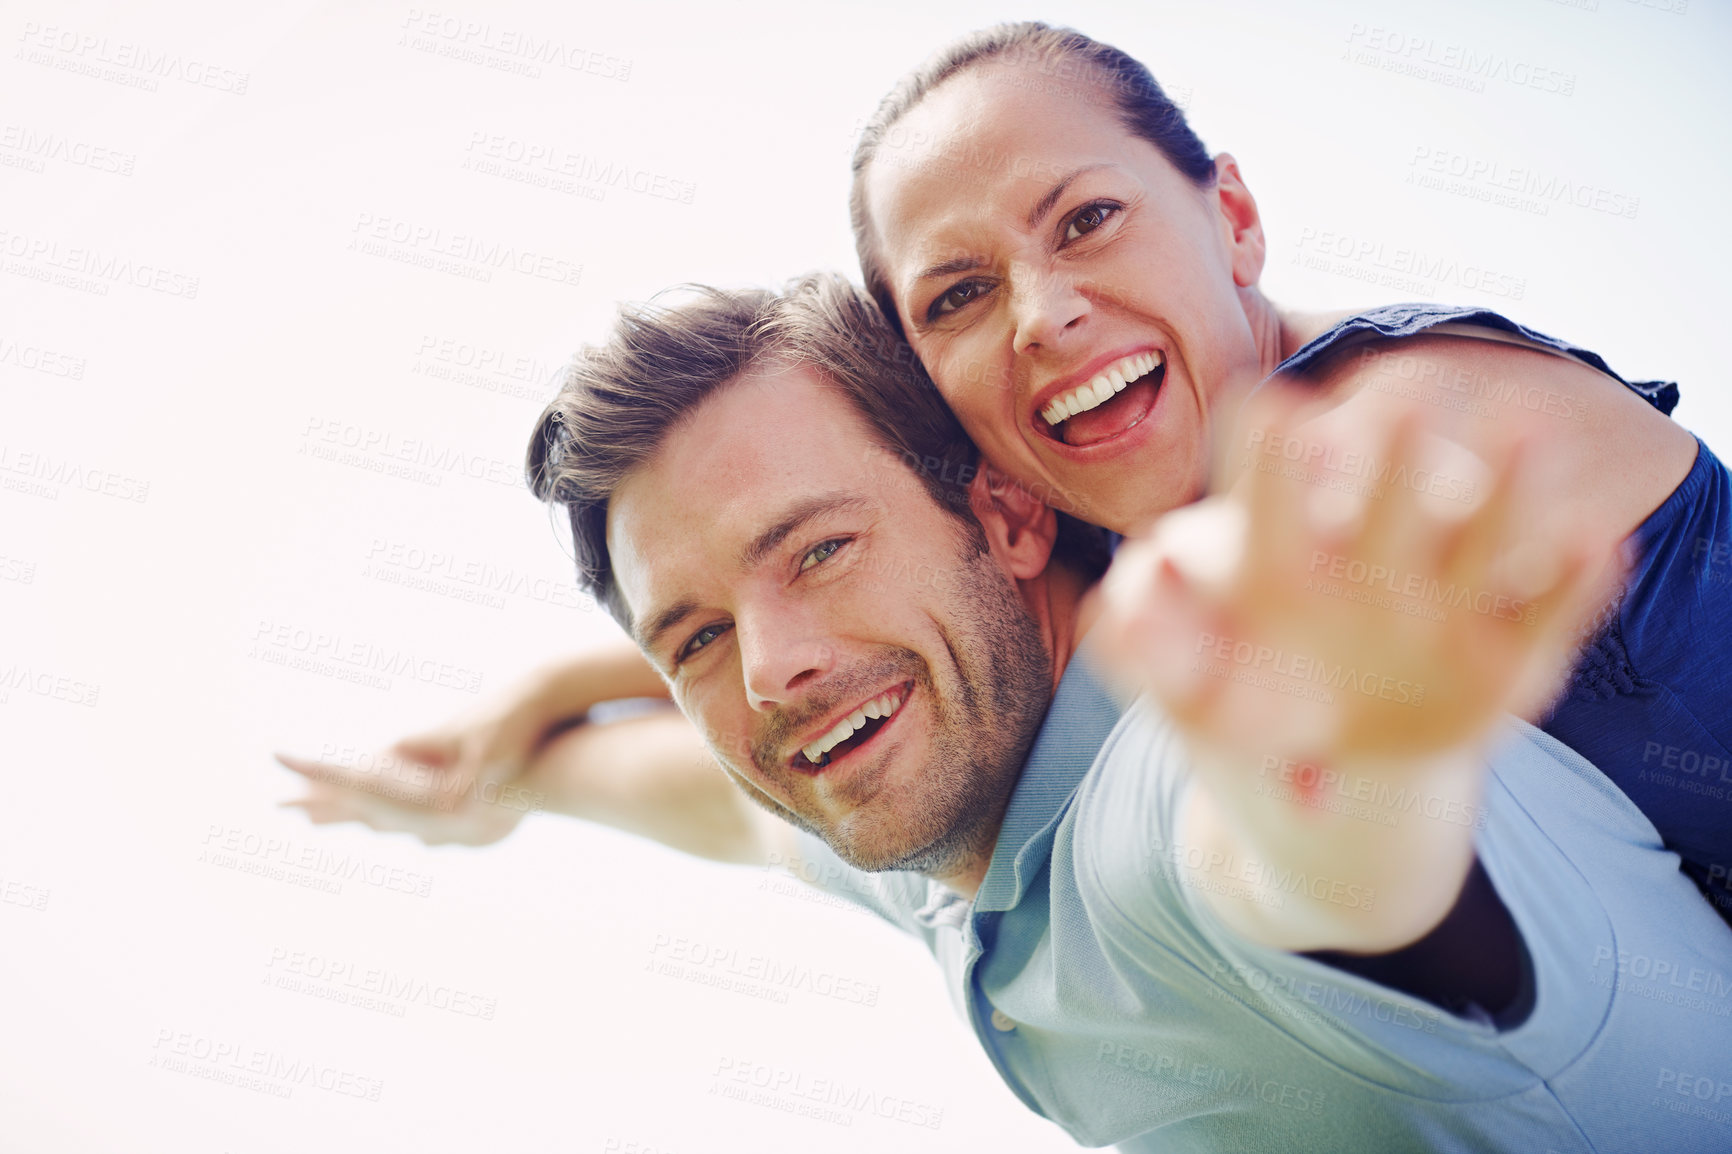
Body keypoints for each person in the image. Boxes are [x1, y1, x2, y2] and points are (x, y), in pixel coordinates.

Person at [288, 21, 1732, 914]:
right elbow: (790, 740)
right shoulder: (1107, 532)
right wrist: (534, 730)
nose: (1045, 316)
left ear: (1233, 216)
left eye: (1087, 219)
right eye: (959, 296)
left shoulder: (1407, 422)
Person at [289, 274, 1730, 1151]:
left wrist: (1360, 746)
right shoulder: (939, 833)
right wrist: (516, 763)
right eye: (697, 637)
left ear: (1006, 516)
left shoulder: (1176, 797)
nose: (775, 666)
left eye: (821, 548)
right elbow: (719, 796)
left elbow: (1323, 851)